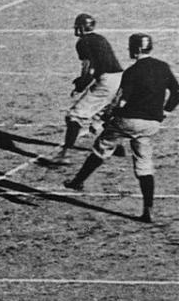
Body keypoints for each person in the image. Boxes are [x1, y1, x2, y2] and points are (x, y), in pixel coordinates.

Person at [63, 34, 179, 223]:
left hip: (127, 121)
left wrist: (104, 118)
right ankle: (148, 208)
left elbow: (121, 101)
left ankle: (78, 180)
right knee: (144, 165)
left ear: (137, 50)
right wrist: (166, 112)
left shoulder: (132, 72)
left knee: (102, 147)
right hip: (151, 125)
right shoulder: (163, 67)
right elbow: (177, 91)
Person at [36, 13, 123, 167]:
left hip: (106, 81)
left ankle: (63, 155)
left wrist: (80, 86)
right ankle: (116, 146)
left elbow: (89, 69)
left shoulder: (83, 42)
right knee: (100, 115)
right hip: (119, 79)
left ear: (81, 27)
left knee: (74, 117)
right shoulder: (100, 38)